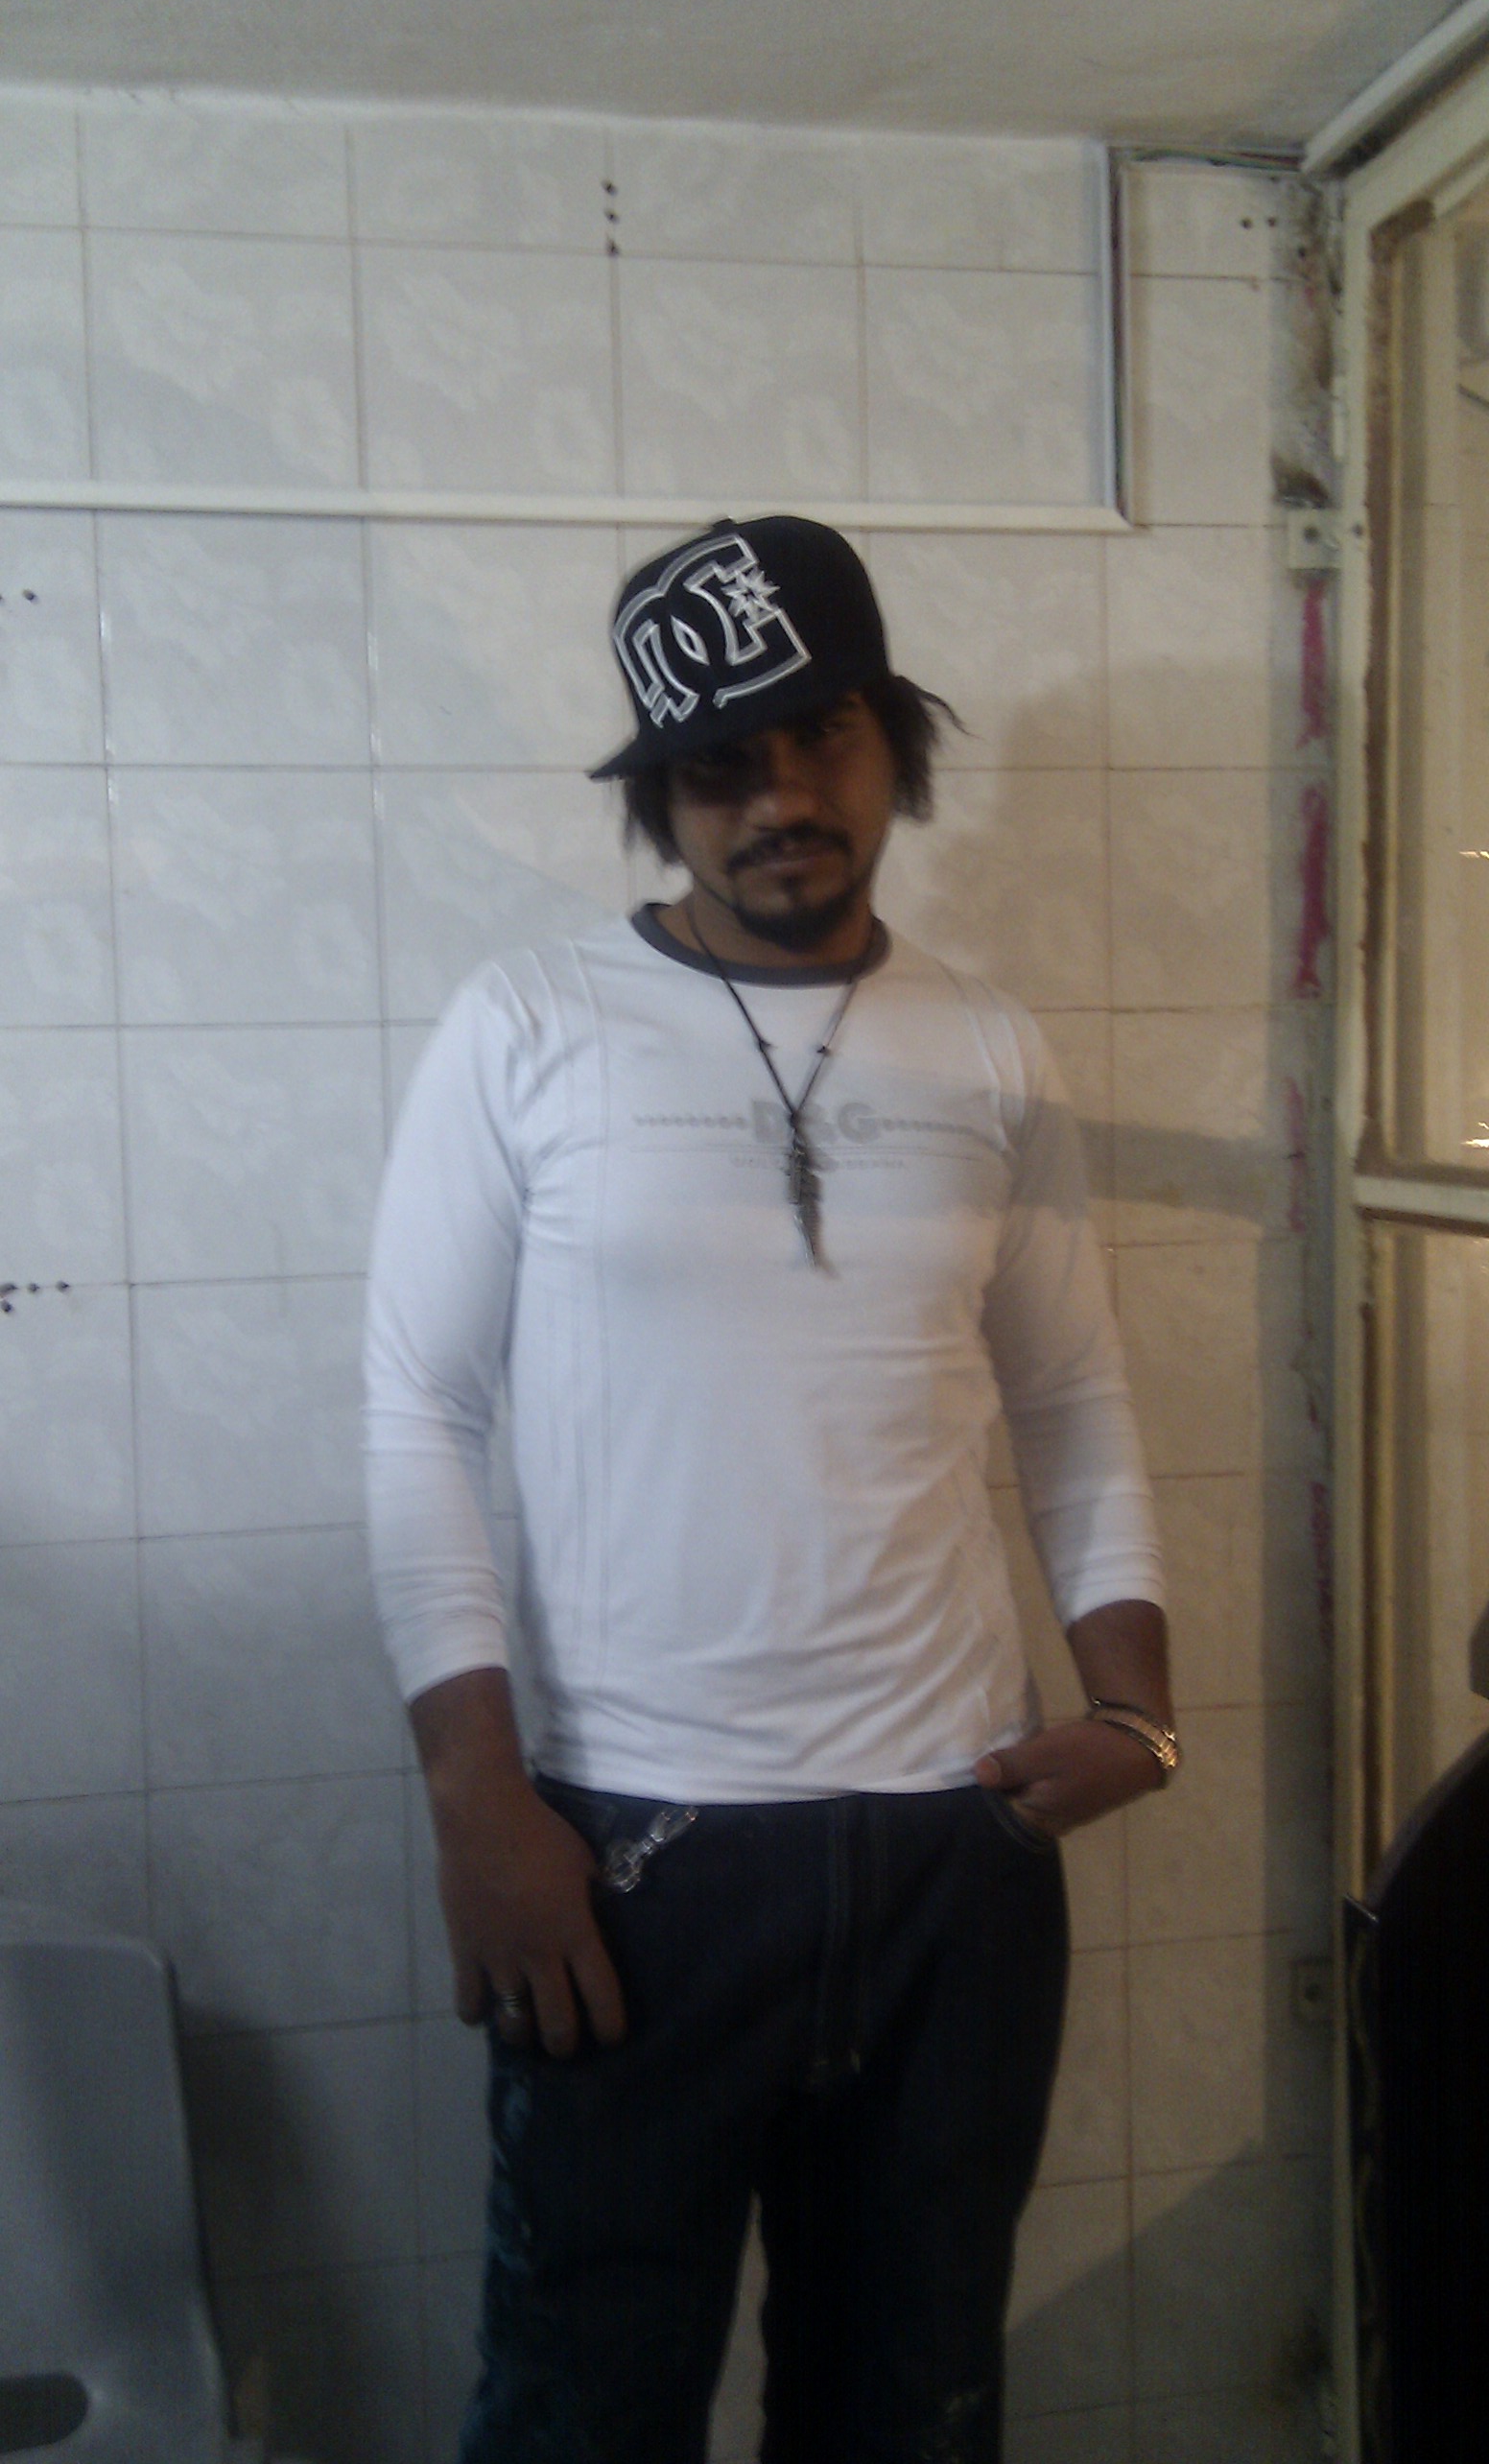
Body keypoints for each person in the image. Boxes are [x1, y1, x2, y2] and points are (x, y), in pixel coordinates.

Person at [363, 514, 1177, 2464]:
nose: (783, 800)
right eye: (721, 765)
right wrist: (479, 1800)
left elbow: (1070, 1403)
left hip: (956, 1852)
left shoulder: (990, 1046)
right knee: (585, 2411)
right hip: (635, 1855)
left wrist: (1135, 1710)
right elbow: (416, 1413)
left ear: (895, 744)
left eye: (823, 738)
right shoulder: (529, 1026)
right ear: (661, 799)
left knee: (912, 2404)